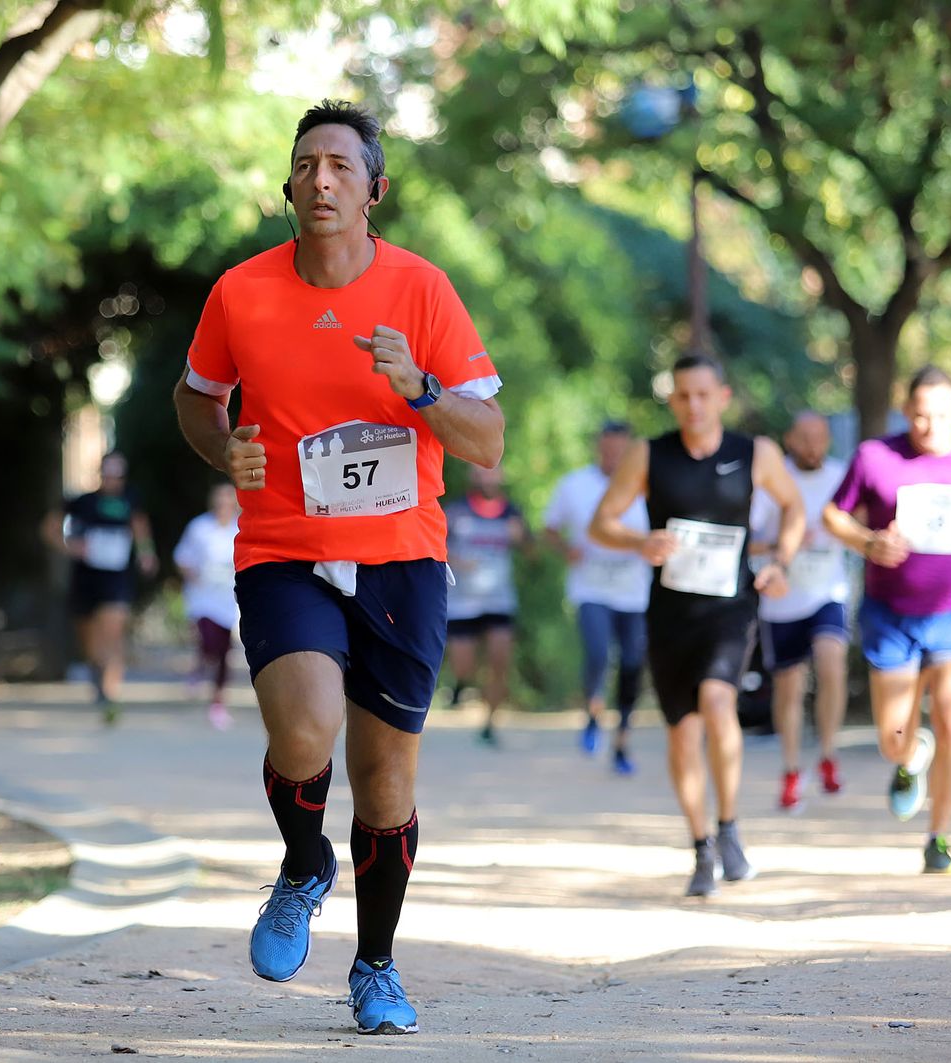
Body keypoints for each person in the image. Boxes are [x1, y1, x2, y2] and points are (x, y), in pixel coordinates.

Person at [172, 99, 503, 1035]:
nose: (321, 179)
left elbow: (486, 442)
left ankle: (376, 966)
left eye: (341, 167)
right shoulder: (240, 291)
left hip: (402, 559)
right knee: (305, 735)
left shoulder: (423, 291)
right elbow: (197, 398)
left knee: (387, 778)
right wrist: (223, 448)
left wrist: (420, 389)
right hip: (286, 550)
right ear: (289, 186)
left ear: (374, 191)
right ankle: (304, 861)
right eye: (306, 164)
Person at [590, 354, 804, 897]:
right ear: (673, 400)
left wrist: (780, 559)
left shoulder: (754, 453)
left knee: (717, 700)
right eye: (684, 395)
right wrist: (640, 542)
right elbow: (602, 523)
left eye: (704, 394)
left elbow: (793, 506)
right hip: (670, 612)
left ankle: (730, 826)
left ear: (723, 397)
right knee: (683, 732)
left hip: (731, 608)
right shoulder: (650, 453)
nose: (694, 405)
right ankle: (702, 846)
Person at [822, 365, 951, 875]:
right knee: (893, 736)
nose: (931, 426)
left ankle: (938, 838)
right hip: (891, 615)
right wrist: (868, 542)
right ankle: (907, 760)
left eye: (942, 415)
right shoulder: (875, 457)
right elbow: (834, 514)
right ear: (906, 413)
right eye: (921, 416)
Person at [749, 412, 851, 811]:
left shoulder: (841, 476)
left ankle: (828, 754)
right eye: (805, 438)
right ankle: (791, 769)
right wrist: (783, 544)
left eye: (820, 438)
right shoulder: (774, 478)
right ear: (789, 439)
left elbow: (858, 524)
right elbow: (749, 538)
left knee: (831, 663)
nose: (813, 446)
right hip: (783, 596)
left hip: (829, 590)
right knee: (789, 686)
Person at [542, 422, 651, 774]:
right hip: (590, 588)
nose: (614, 458)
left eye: (621, 452)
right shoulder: (574, 485)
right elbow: (549, 529)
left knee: (633, 662)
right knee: (598, 652)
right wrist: (566, 550)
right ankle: (593, 713)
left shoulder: (646, 488)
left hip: (635, 593)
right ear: (598, 448)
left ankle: (622, 738)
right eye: (608, 451)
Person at [43, 452, 159, 719]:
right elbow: (49, 527)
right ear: (100, 475)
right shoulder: (83, 502)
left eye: (118, 475)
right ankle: (97, 674)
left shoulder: (131, 499)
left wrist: (146, 553)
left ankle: (109, 689)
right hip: (86, 578)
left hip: (117, 577)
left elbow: (140, 527)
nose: (112, 480)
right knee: (89, 637)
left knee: (113, 630)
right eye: (108, 474)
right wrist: (68, 546)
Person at [443, 463, 528, 746]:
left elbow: (532, 549)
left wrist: (523, 538)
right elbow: (433, 547)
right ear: (472, 476)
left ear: (501, 476)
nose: (487, 477)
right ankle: (462, 683)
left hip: (499, 600)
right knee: (463, 664)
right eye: (481, 471)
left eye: (492, 471)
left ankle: (490, 723)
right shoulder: (456, 511)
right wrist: (457, 561)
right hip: (462, 603)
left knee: (499, 661)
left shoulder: (512, 512)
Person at [174, 483, 242, 730]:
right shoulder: (199, 527)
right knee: (208, 641)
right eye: (219, 501)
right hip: (203, 598)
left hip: (229, 599)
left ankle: (218, 702)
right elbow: (182, 557)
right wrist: (193, 575)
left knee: (224, 651)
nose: (223, 506)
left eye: (228, 502)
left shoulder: (241, 527)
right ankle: (201, 665)